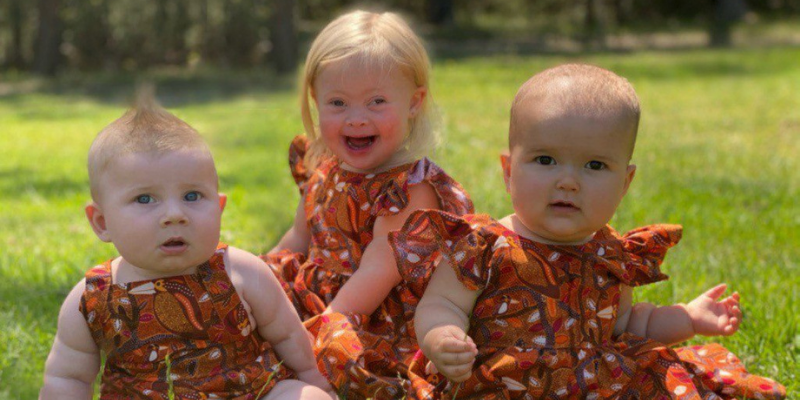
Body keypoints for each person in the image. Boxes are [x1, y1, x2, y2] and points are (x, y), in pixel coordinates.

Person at [394, 64, 787, 399]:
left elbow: (630, 326)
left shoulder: (611, 255)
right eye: (545, 160)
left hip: (598, 384)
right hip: (506, 383)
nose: (568, 181)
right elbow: (441, 304)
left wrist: (688, 318)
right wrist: (442, 337)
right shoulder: (482, 246)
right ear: (509, 172)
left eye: (595, 166)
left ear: (625, 183)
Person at [39, 94, 334, 400]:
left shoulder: (241, 271)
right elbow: (67, 377)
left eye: (192, 196)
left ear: (218, 209)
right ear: (102, 222)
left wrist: (316, 381)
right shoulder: (93, 299)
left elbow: (288, 334)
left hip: (252, 392)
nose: (174, 215)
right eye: (144, 199)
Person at [262, 10, 473, 399]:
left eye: (377, 102)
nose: (357, 119)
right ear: (315, 100)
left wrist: (319, 334)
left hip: (366, 316)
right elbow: (298, 236)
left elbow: (376, 273)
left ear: (413, 102)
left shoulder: (409, 190)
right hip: (315, 295)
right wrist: (263, 282)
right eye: (338, 103)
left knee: (318, 366)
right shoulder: (322, 167)